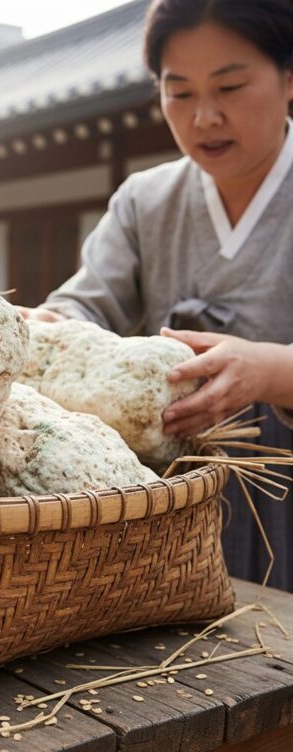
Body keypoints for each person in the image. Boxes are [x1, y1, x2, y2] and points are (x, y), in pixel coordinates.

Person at [24, 0, 293, 588]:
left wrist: (270, 370)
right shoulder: (145, 201)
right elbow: (86, 307)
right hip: (175, 494)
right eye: (180, 93)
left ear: (289, 76)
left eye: (231, 86)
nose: (204, 118)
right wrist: (45, 326)